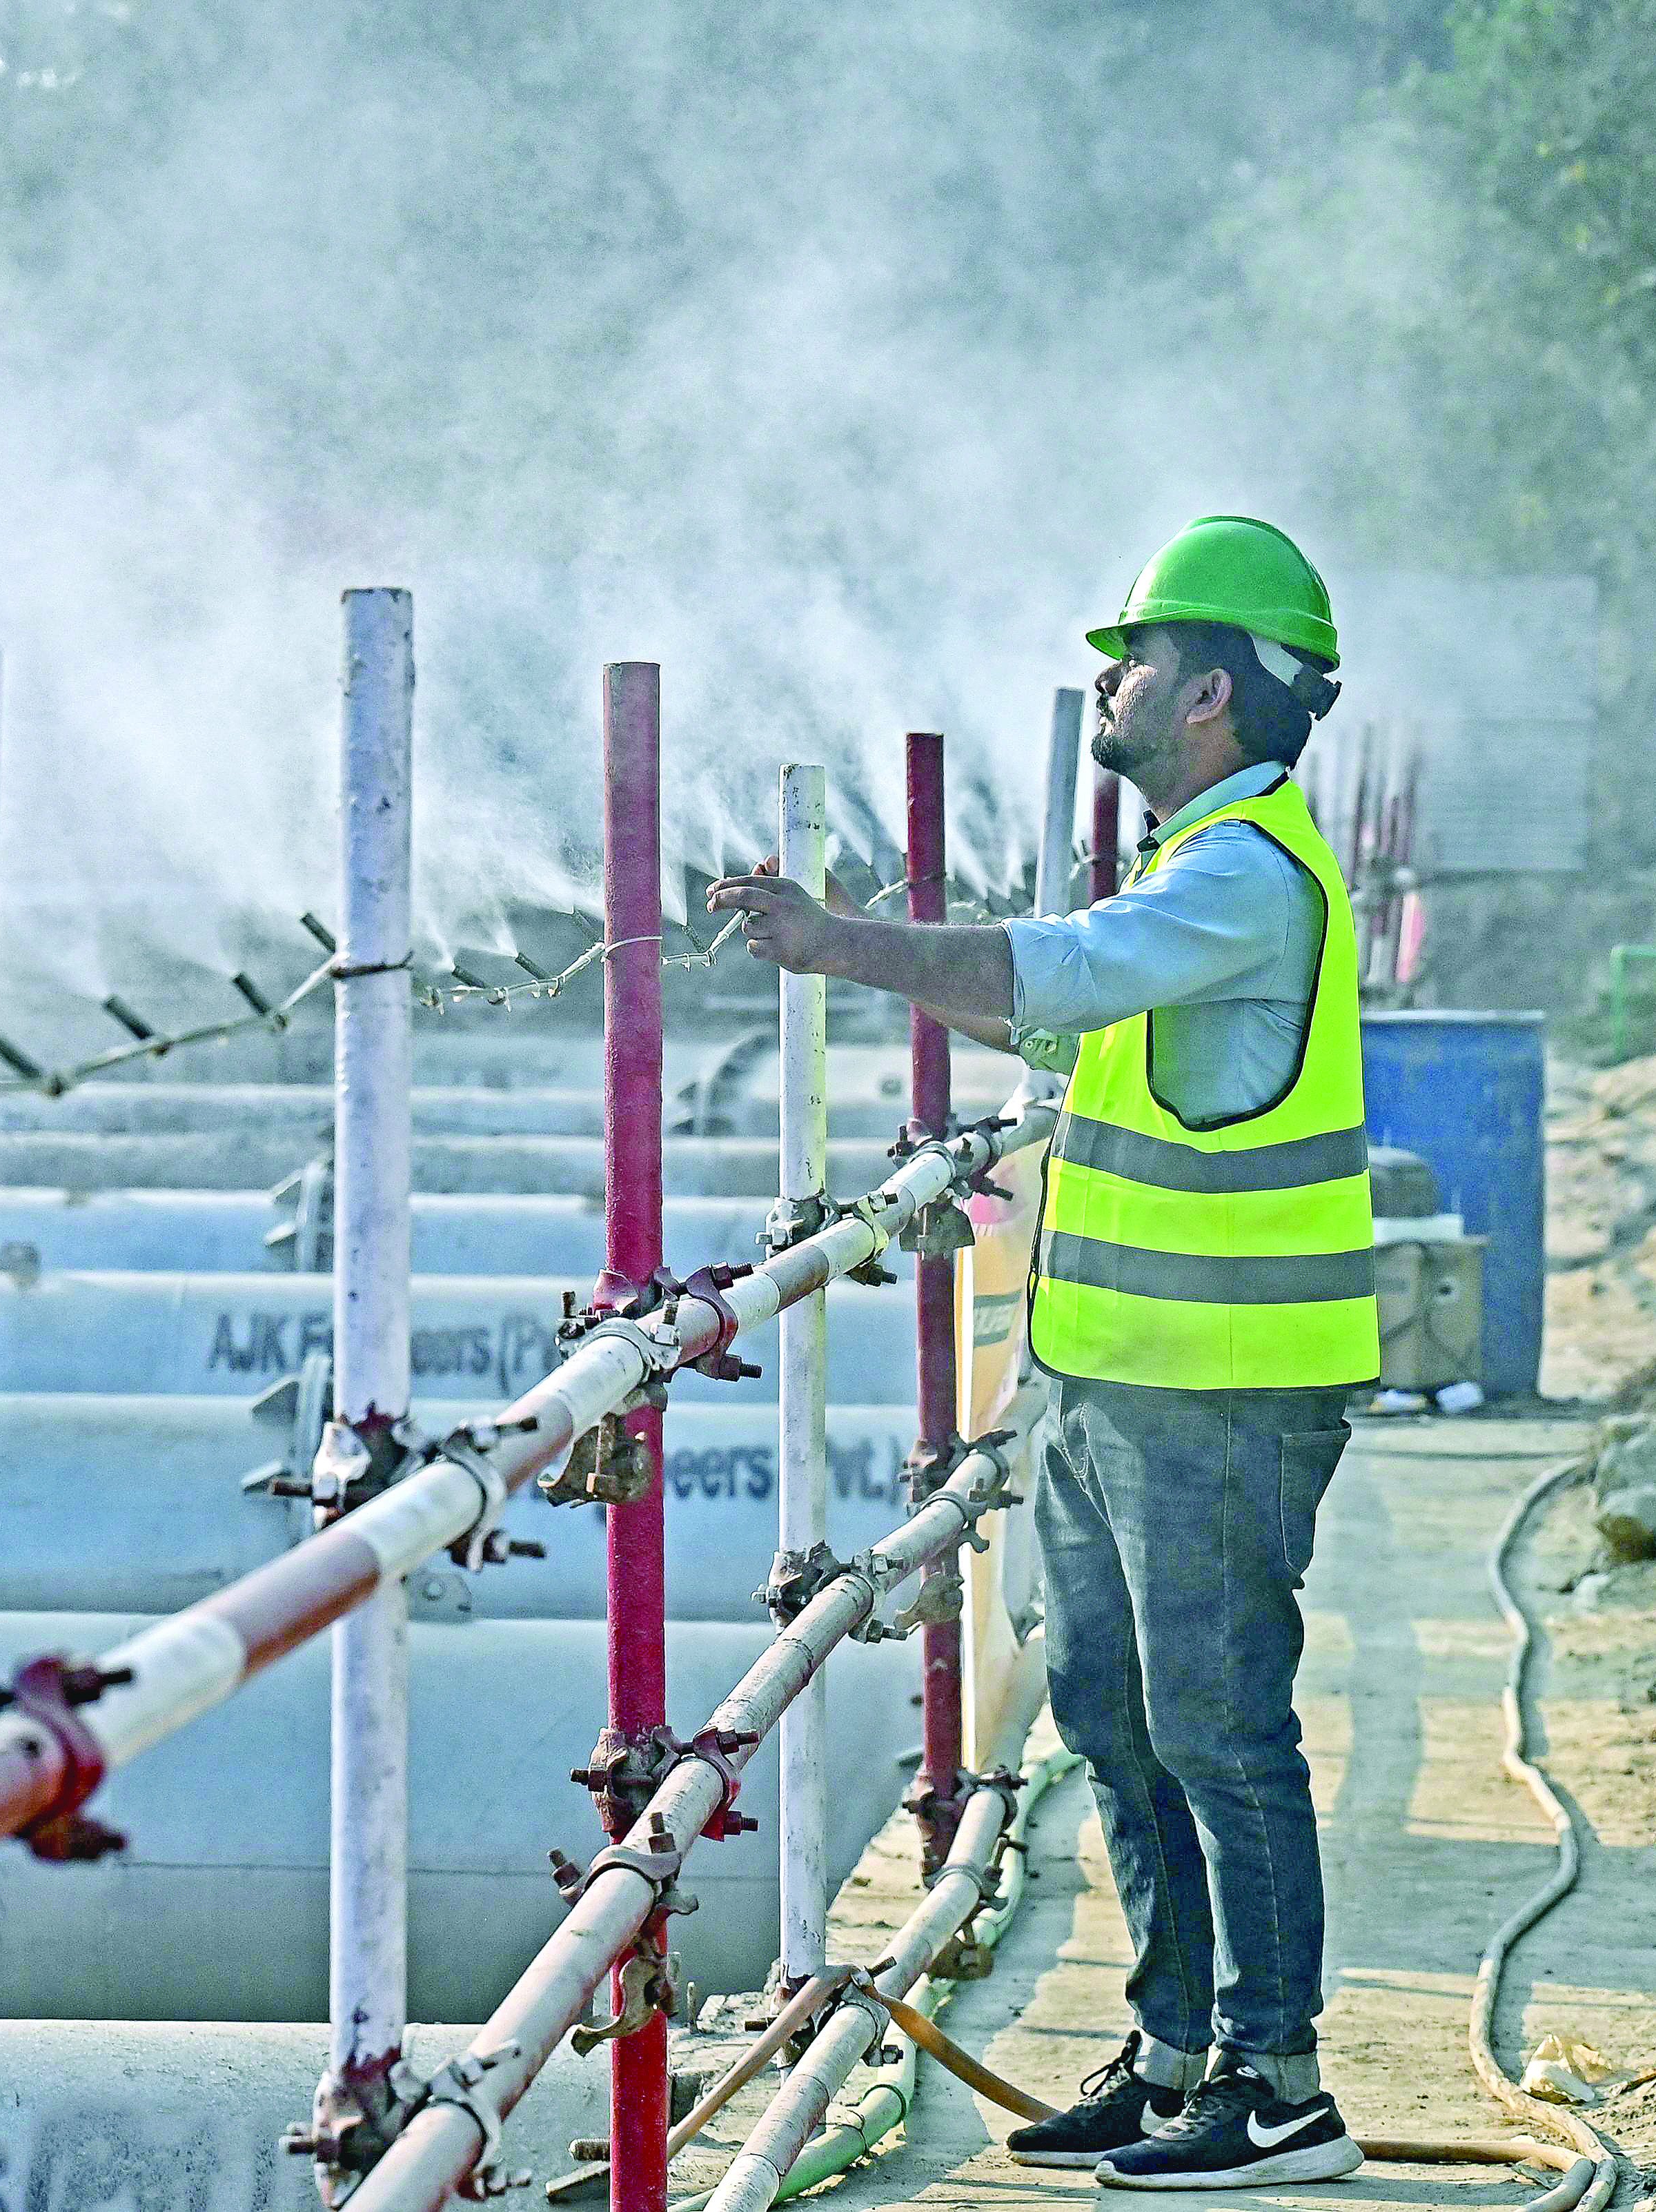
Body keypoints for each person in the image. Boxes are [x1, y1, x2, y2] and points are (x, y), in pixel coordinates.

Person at [707, 515, 1378, 2189]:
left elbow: (1059, 972)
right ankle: (1173, 2055)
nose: (1107, 676)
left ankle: (1276, 2085)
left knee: (1217, 1724)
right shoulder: (1193, 861)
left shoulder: (1241, 874)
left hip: (1220, 1389)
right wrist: (868, 940)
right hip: (1119, 1379)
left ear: (1210, 690)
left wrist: (836, 941)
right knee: (1106, 1706)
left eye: (1133, 655)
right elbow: (1045, 1005)